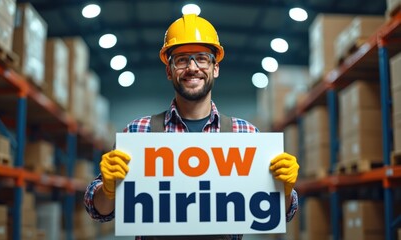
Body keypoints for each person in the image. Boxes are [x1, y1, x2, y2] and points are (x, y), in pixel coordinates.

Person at [84, 13, 299, 240]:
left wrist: (282, 191)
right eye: (182, 59)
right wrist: (108, 190)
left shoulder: (246, 135)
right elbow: (99, 211)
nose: (192, 67)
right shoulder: (138, 133)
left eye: (202, 58)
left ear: (215, 68)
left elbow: (279, 213)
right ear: (169, 71)